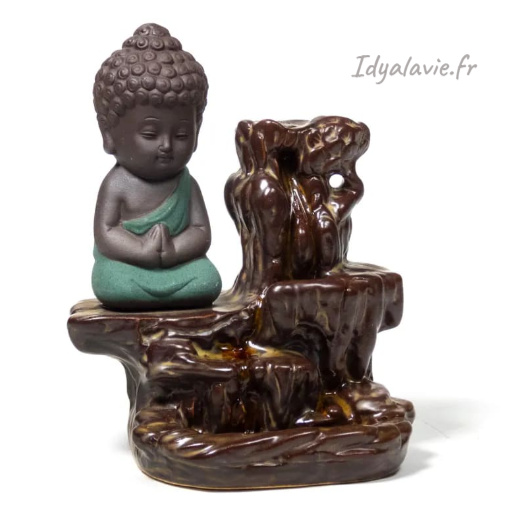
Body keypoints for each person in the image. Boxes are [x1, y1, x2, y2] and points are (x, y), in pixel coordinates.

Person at [91, 23, 221, 310]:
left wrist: (174, 250)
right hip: (128, 265)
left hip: (178, 266)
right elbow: (106, 233)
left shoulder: (187, 184)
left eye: (182, 134)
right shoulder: (117, 184)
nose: (167, 145)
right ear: (109, 133)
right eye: (150, 134)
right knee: (113, 281)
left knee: (206, 278)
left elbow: (200, 232)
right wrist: (140, 249)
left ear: (197, 130)